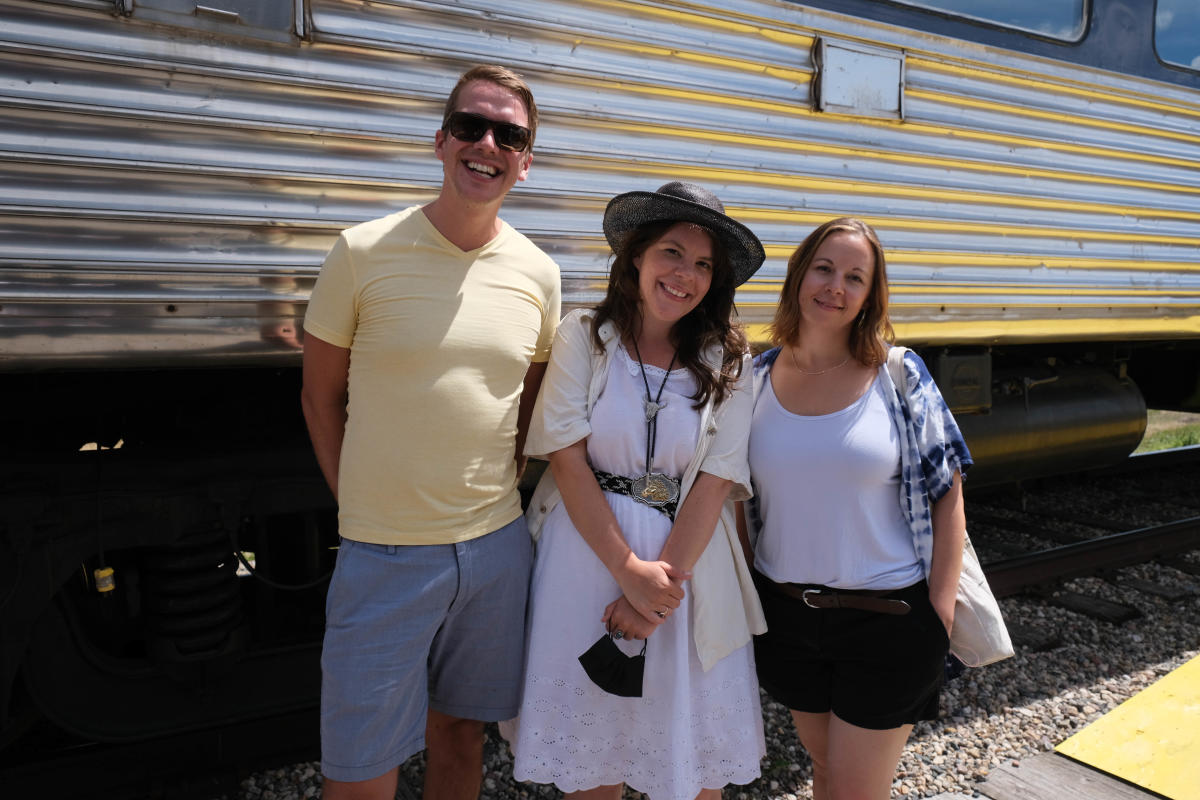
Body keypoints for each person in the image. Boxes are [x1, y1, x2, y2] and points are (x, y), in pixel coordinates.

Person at [300, 65, 561, 800]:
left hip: (495, 549)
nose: (488, 144)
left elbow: (524, 409)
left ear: (526, 160)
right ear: (440, 141)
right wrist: (359, 503)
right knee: (358, 772)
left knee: (459, 737)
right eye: (471, 127)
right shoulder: (361, 252)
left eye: (509, 135)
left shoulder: (540, 274)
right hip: (383, 555)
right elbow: (321, 399)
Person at [504, 182, 768, 800]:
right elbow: (566, 458)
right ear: (637, 257)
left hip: (685, 578)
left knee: (692, 771)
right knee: (593, 770)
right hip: (587, 563)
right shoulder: (584, 337)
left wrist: (655, 591)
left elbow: (715, 481)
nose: (685, 274)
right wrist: (627, 570)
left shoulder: (728, 359)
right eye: (672, 253)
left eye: (704, 264)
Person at [739, 217, 971, 800]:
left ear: (870, 295)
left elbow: (948, 495)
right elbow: (737, 501)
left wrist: (938, 611)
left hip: (889, 620)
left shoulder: (898, 375)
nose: (835, 286)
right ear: (798, 275)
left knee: (851, 790)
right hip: (789, 618)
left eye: (854, 277)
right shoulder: (754, 381)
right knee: (824, 771)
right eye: (824, 268)